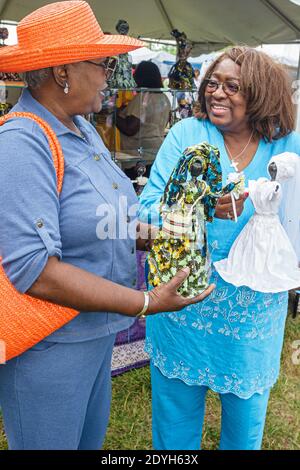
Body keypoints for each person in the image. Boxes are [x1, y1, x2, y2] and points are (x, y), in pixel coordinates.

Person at [0, 1, 214, 450]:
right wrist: (145, 301)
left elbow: (102, 219)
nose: (113, 74)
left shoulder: (82, 128)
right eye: (103, 63)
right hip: (50, 346)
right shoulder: (22, 142)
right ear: (63, 72)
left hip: (93, 334)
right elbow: (35, 270)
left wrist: (161, 235)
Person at [139, 46, 300, 450]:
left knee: (244, 428)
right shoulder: (187, 135)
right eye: (212, 83)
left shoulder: (287, 146)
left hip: (252, 313)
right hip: (184, 301)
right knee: (175, 421)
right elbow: (147, 208)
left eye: (232, 86)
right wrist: (204, 208)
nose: (217, 93)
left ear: (261, 93)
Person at [116, 61, 171, 164]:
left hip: (139, 156)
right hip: (156, 151)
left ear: (141, 77)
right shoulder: (164, 98)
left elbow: (131, 128)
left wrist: (113, 114)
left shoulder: (142, 98)